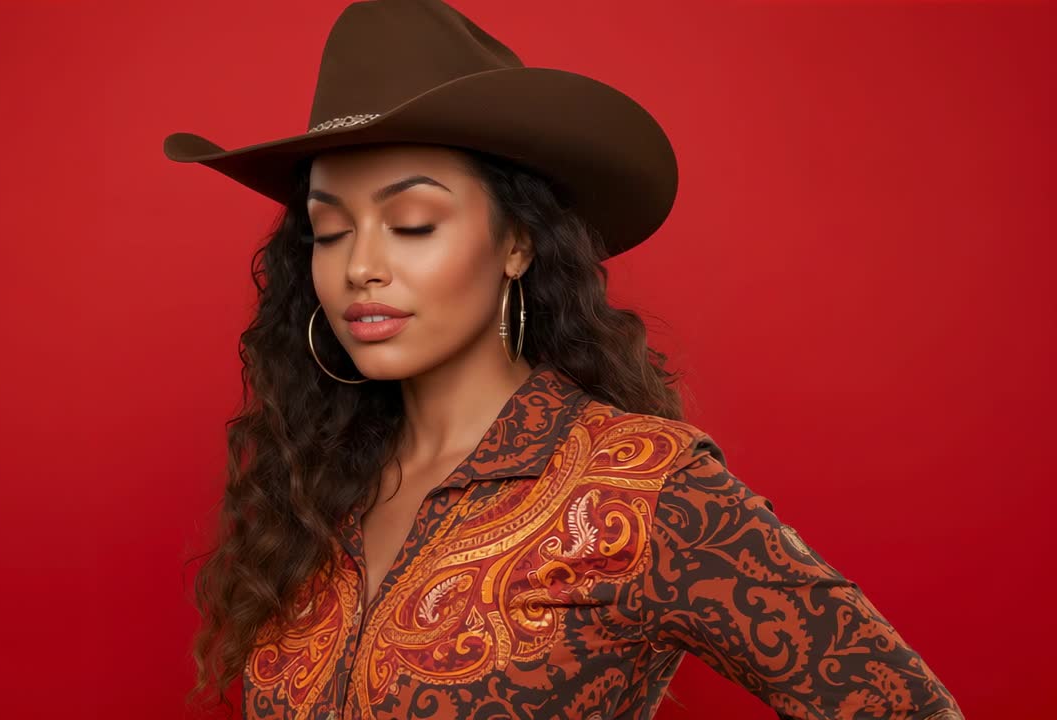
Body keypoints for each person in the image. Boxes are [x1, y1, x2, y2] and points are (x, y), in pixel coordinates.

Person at [163, 1, 964, 718]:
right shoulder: (315, 488)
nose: (359, 265)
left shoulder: (641, 485)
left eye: (411, 223)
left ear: (517, 243)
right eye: (330, 230)